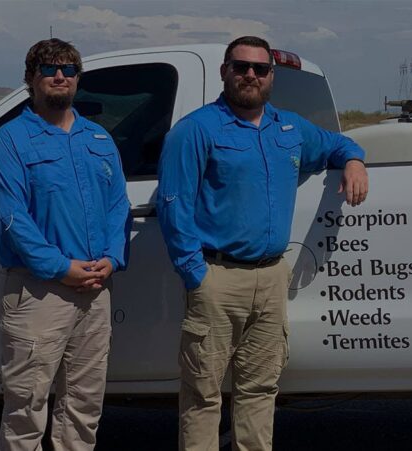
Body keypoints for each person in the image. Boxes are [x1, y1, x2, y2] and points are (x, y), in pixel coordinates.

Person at [157, 36, 368, 450]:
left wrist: (355, 161)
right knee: (203, 395)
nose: (250, 75)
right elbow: (173, 205)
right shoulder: (196, 130)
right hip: (216, 277)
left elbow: (338, 144)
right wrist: (195, 274)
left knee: (260, 389)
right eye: (241, 67)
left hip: (272, 278)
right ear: (225, 72)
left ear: (271, 76)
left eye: (260, 68)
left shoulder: (289, 128)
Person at [0, 38, 130, 451]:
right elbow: (11, 218)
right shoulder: (9, 140)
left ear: (77, 80)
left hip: (95, 289)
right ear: (31, 79)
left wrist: (112, 258)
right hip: (39, 292)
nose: (59, 76)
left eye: (68, 70)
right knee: (25, 408)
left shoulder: (100, 139)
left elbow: (118, 206)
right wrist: (61, 268)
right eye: (49, 69)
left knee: (83, 407)